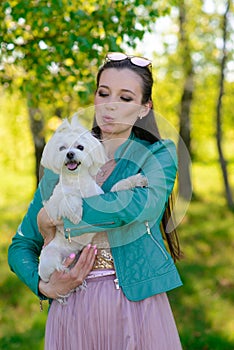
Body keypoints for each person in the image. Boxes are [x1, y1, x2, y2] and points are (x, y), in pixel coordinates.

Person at [8, 52, 183, 349]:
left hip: (135, 304)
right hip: (72, 306)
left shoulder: (158, 154)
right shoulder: (64, 160)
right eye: (104, 93)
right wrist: (44, 286)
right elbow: (21, 245)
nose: (110, 105)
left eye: (125, 98)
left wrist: (57, 216)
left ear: (144, 108)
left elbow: (136, 207)